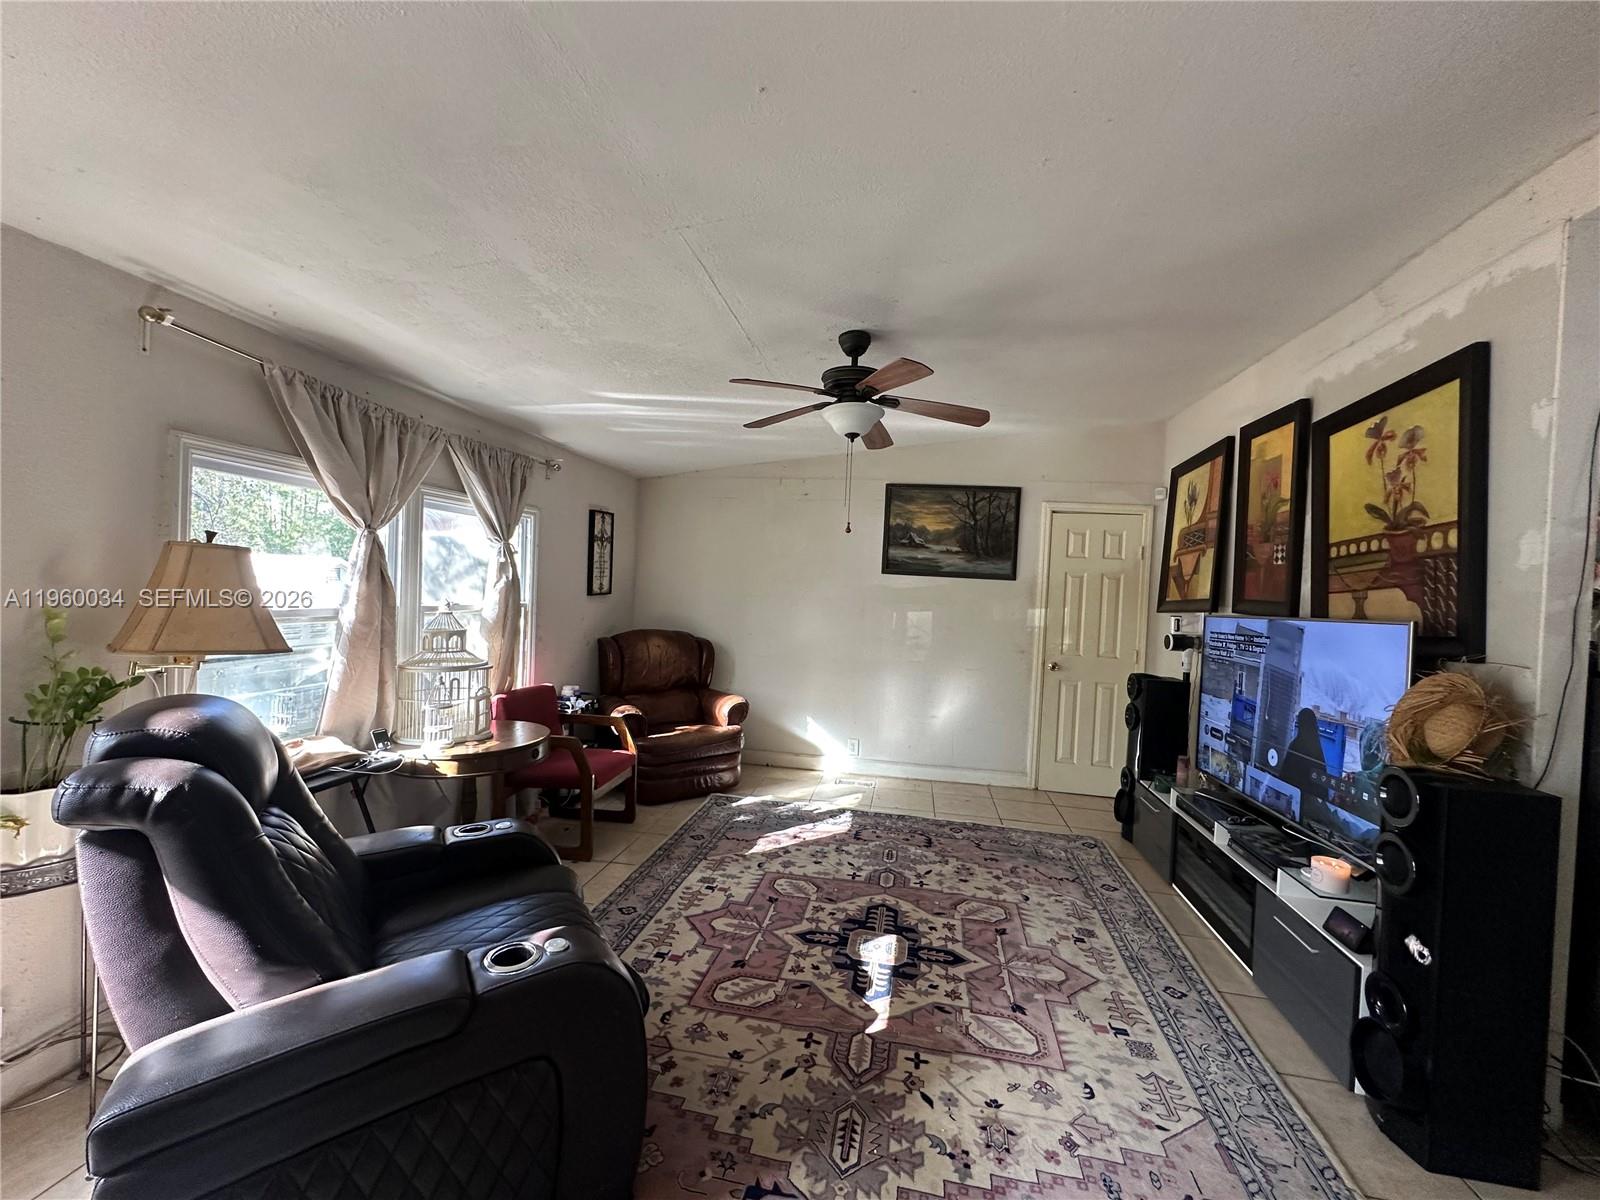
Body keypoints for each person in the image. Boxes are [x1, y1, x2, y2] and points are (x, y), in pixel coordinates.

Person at [1280, 707, 1335, 830]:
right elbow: (1322, 782)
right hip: (1312, 814)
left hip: (1294, 809)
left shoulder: (1295, 745)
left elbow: (1283, 776)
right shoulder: (1316, 748)